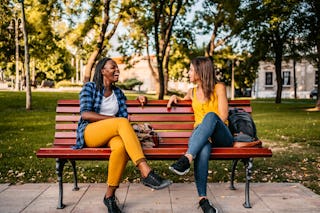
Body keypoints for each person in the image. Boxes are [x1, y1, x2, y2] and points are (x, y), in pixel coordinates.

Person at [74, 57, 171, 213]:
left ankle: (109, 197)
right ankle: (146, 171)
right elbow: (85, 114)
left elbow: (123, 119)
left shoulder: (118, 93)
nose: (117, 70)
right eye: (113, 67)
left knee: (120, 147)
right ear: (102, 71)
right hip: (90, 133)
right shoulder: (89, 87)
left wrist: (139, 99)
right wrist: (114, 120)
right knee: (120, 122)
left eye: (117, 68)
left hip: (111, 136)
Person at [167, 56, 233, 213]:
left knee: (210, 116)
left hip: (220, 134)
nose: (188, 73)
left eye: (191, 69)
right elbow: (182, 99)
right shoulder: (192, 91)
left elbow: (223, 116)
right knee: (202, 148)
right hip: (201, 137)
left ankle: (187, 158)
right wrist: (175, 97)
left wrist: (208, 131)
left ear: (201, 71)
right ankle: (202, 199)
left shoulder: (219, 87)